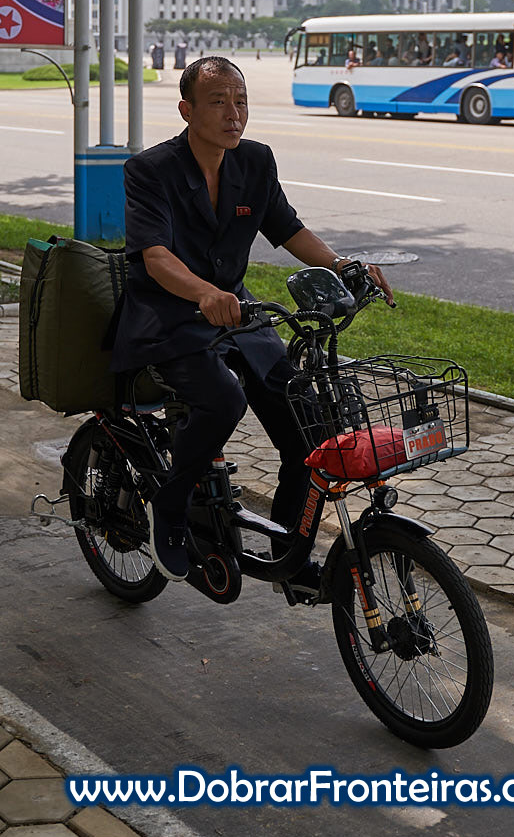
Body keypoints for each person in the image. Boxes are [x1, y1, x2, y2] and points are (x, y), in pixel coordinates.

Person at [112, 56, 394, 586]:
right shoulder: (151, 171)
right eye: (218, 102)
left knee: (304, 417)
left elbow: (289, 230)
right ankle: (170, 506)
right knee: (224, 398)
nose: (233, 114)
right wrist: (204, 293)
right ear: (186, 109)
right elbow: (154, 257)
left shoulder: (256, 163)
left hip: (239, 312)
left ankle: (290, 554)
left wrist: (343, 266)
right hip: (170, 314)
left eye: (240, 101)